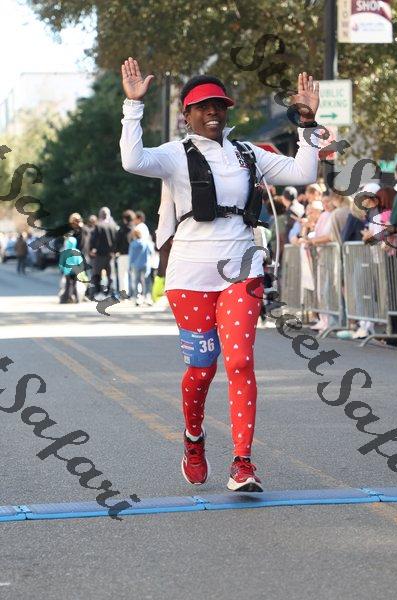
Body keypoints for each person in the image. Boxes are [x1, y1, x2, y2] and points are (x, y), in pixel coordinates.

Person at [120, 57, 320, 491]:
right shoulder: (174, 155)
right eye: (203, 107)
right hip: (189, 278)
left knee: (241, 362)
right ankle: (194, 438)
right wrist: (133, 106)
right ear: (187, 115)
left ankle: (242, 462)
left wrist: (307, 123)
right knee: (202, 369)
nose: (212, 112)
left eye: (219, 106)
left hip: (241, 272)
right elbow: (132, 160)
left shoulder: (248, 154)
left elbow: (304, 172)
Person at [89, 207, 118, 298]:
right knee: (110, 276)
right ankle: (110, 293)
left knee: (97, 275)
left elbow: (93, 240)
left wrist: (91, 249)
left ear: (100, 215)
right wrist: (114, 251)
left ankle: (97, 293)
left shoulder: (98, 226)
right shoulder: (114, 226)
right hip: (110, 255)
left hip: (99, 255)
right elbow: (116, 240)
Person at [114, 209, 136, 296]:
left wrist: (116, 251)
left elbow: (117, 242)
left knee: (122, 275)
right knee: (133, 275)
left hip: (122, 255)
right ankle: (135, 293)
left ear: (124, 219)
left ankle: (124, 294)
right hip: (133, 255)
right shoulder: (134, 229)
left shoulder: (121, 229)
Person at [129, 228, 153, 305]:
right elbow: (151, 252)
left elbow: (131, 256)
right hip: (145, 264)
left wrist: (129, 266)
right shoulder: (146, 242)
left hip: (136, 265)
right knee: (146, 281)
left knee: (137, 281)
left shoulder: (132, 244)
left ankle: (137, 298)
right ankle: (147, 297)